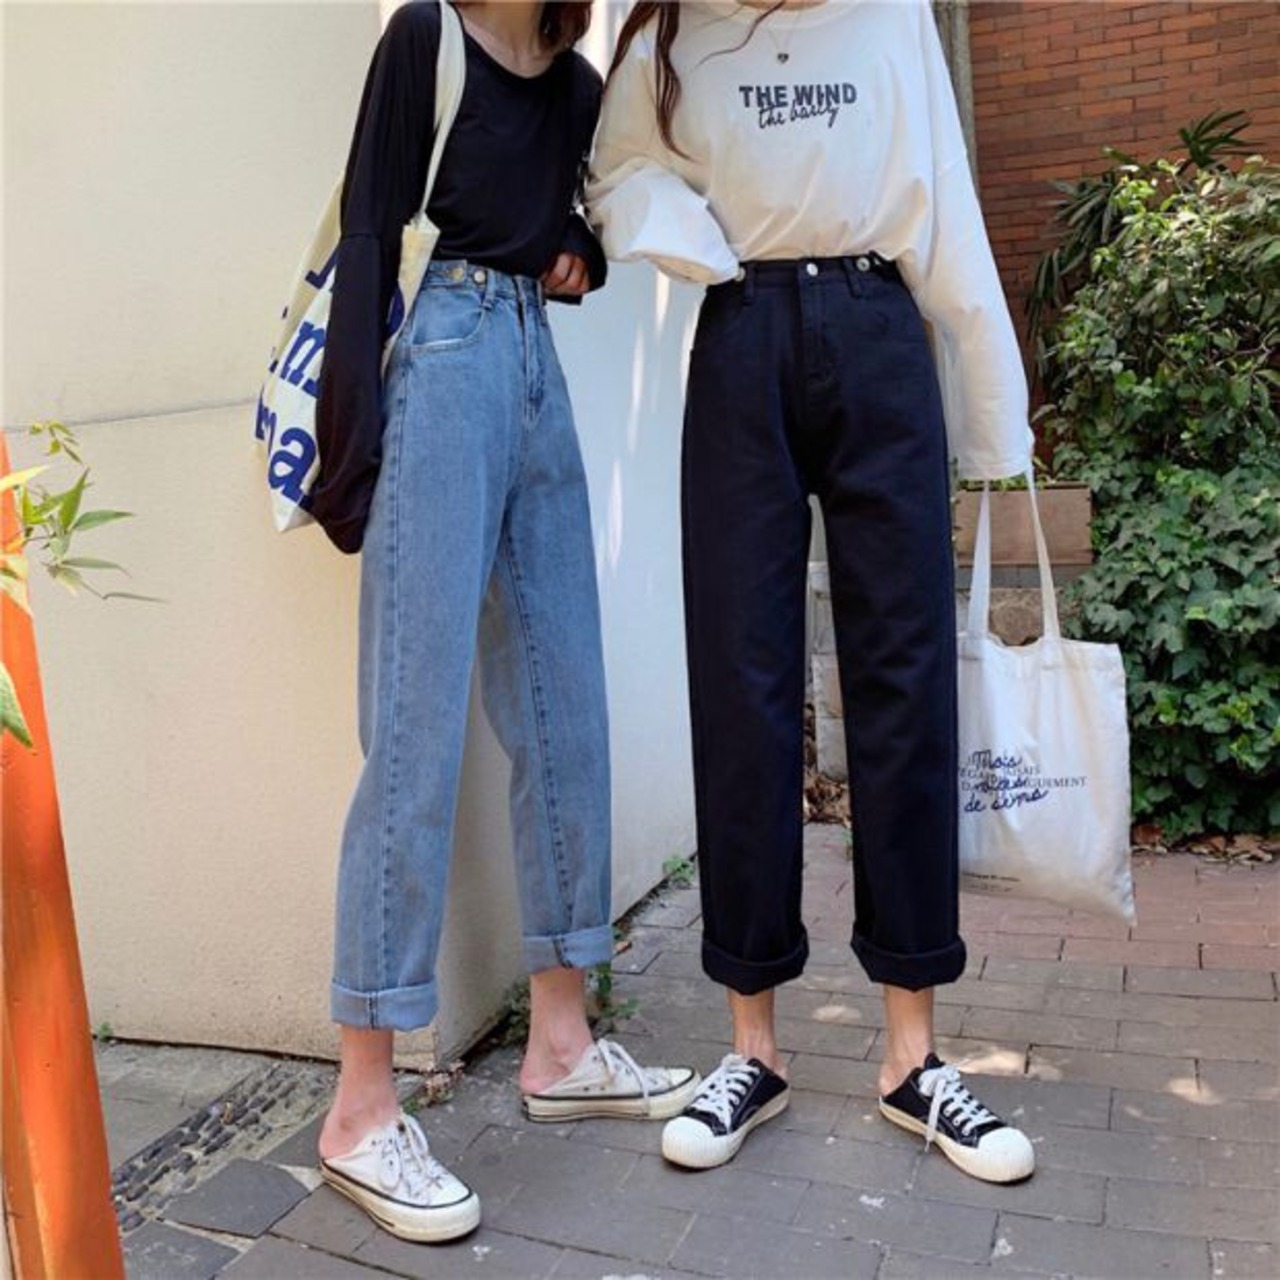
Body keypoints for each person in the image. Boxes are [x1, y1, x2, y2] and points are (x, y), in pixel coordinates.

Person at [587, 0, 1036, 1184]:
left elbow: (942, 197)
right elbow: (616, 170)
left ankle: (911, 1054)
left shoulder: (886, 15)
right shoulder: (673, 32)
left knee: (903, 678)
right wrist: (695, 244)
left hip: (880, 331)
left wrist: (995, 416)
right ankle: (752, 1047)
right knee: (739, 680)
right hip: (739, 335)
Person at [310, 0, 698, 1244]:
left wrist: (576, 250)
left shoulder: (575, 87)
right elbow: (368, 234)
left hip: (533, 368)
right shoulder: (424, 38)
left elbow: (583, 222)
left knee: (564, 703)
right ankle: (359, 1108)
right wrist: (348, 444)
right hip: (440, 365)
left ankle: (562, 1040)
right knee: (412, 732)